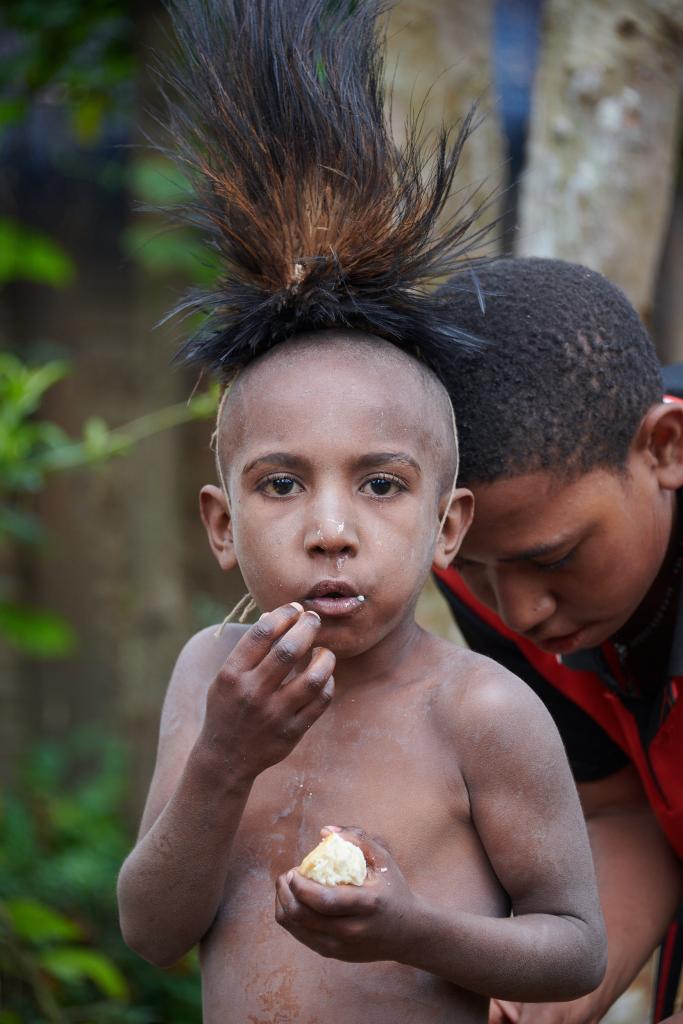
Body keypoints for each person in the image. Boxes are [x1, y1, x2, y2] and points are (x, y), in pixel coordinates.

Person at [117, 3, 606, 1020]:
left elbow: (572, 949)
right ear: (219, 525)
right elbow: (153, 932)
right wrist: (222, 760)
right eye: (280, 483)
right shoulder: (211, 678)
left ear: (447, 526)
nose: (329, 528)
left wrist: (411, 929)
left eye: (379, 485)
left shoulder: (478, 711)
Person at [435, 257, 683, 1024]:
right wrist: (538, 1000)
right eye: (473, 566)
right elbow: (622, 810)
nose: (519, 610)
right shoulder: (481, 571)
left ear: (664, 449)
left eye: (553, 558)